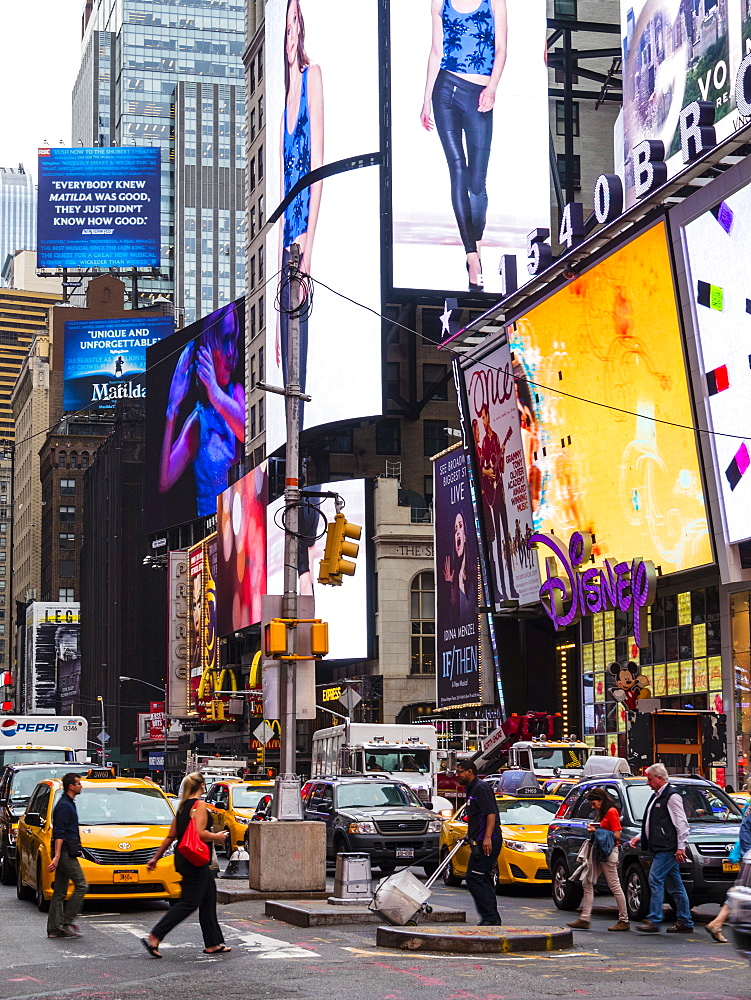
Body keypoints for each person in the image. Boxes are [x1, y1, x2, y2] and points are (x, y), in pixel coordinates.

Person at [421, 0, 508, 291]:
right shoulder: (439, 3)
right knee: (457, 169)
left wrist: (492, 88)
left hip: (479, 94)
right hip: (444, 90)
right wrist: (425, 101)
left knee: (477, 183)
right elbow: (436, 52)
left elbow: (501, 48)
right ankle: (472, 255)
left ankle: (476, 240)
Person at [276, 0, 324, 427]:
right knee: (288, 364)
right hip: (287, 248)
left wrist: (308, 248)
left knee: (302, 366)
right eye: (286, 24)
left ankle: (299, 447)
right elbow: (281, 199)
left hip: (304, 241)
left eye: (295, 21)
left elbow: (319, 170)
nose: (290, 31)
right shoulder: (282, 103)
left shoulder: (314, 79)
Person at [158, 301, 245, 519]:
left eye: (234, 339)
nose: (231, 352)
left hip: (246, 526)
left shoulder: (237, 394)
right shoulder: (198, 420)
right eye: (225, 340)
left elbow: (247, 432)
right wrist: (172, 409)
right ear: (208, 347)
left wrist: (215, 393)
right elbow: (164, 480)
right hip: (211, 536)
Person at [141, 772, 230, 958]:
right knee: (189, 902)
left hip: (183, 858)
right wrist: (218, 837)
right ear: (202, 786)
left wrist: (155, 858)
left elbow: (170, 836)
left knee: (208, 897)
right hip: (194, 859)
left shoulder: (182, 808)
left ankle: (213, 943)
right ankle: (155, 936)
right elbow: (200, 833)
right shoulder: (200, 805)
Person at [628, 763, 693, 933]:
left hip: (667, 848)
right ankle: (685, 921)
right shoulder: (658, 796)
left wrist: (680, 847)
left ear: (659, 778)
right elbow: (652, 822)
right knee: (676, 887)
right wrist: (640, 837)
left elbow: (681, 824)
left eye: (649, 779)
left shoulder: (671, 797)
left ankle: (655, 919)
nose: (647, 783)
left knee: (655, 879)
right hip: (663, 847)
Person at [567, 788, 630, 932]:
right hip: (600, 851)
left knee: (614, 886)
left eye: (594, 803)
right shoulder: (603, 812)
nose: (593, 807)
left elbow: (617, 835)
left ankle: (624, 920)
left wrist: (596, 830)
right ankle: (585, 918)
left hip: (608, 852)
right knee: (587, 881)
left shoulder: (611, 811)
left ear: (601, 800)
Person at [455, 759, 502, 925]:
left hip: (488, 841)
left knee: (474, 878)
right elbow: (476, 816)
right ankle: (491, 917)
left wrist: (487, 838)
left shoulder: (481, 788)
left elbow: (490, 814)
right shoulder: (471, 789)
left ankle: (490, 917)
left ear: (470, 772)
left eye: (460, 771)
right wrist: (469, 835)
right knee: (483, 878)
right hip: (478, 840)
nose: (457, 775)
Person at [705, 776, 751, 943]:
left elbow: (744, 832)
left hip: (748, 856)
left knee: (741, 892)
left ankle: (717, 923)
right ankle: (717, 923)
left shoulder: (749, 806)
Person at [47, 773, 88, 939]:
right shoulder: (65, 805)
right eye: (78, 783)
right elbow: (59, 832)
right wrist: (56, 857)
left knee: (59, 892)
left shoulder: (68, 803)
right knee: (82, 884)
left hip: (66, 851)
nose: (81, 786)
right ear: (71, 786)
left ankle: (54, 928)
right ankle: (67, 920)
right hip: (64, 853)